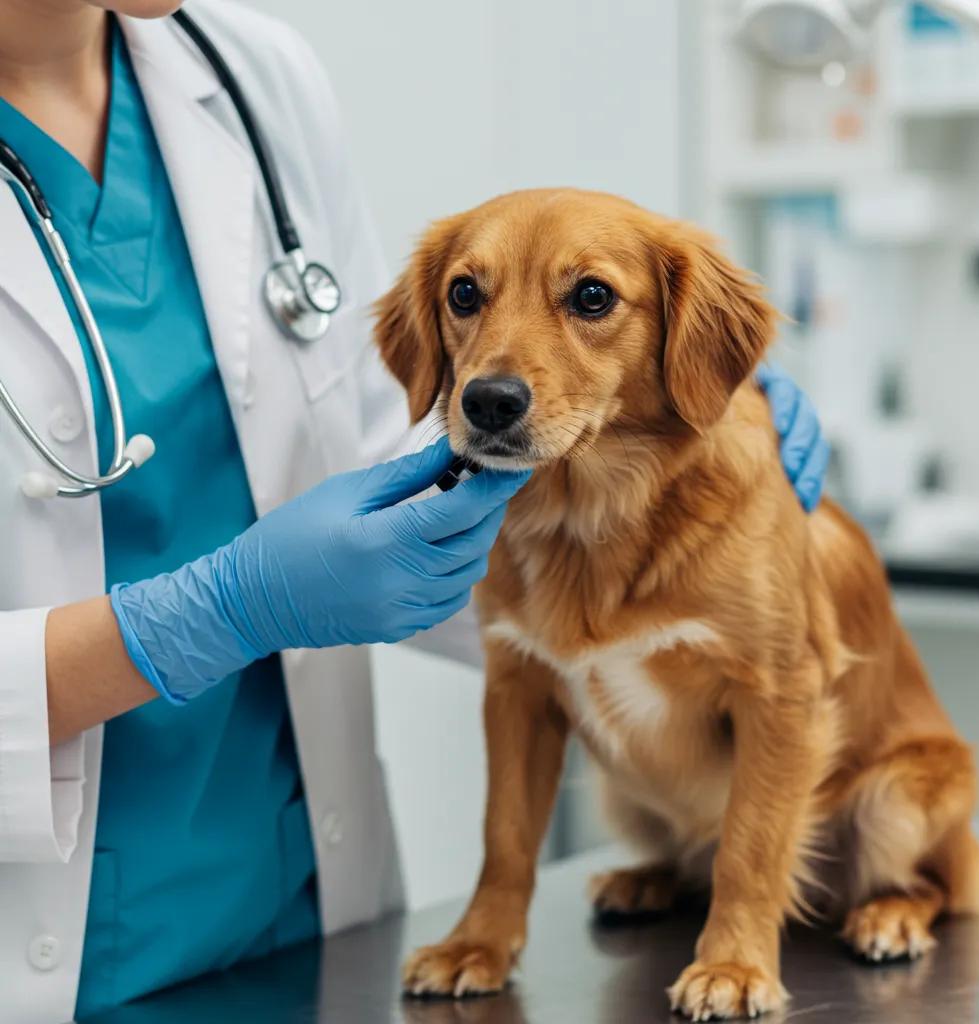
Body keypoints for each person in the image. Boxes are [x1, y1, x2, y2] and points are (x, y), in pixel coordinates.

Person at [0, 2, 830, 1021]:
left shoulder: (253, 72)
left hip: (303, 912)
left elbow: (377, 449)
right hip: (42, 954)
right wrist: (203, 616)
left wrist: (684, 494)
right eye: (473, 295)